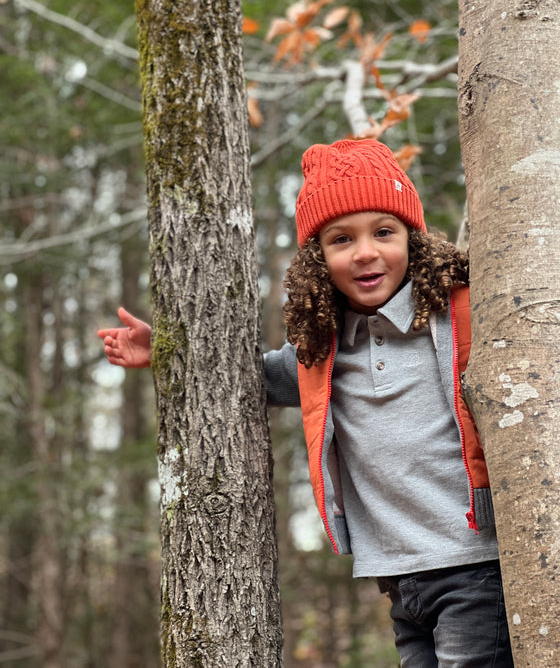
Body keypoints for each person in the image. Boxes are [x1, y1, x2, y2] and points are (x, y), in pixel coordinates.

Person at [98, 139, 513, 667]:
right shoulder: (324, 347)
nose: (365, 252)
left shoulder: (456, 317)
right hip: (397, 576)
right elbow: (254, 379)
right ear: (319, 258)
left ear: (413, 237)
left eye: (384, 232)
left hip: (475, 564)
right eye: (342, 239)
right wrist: (166, 353)